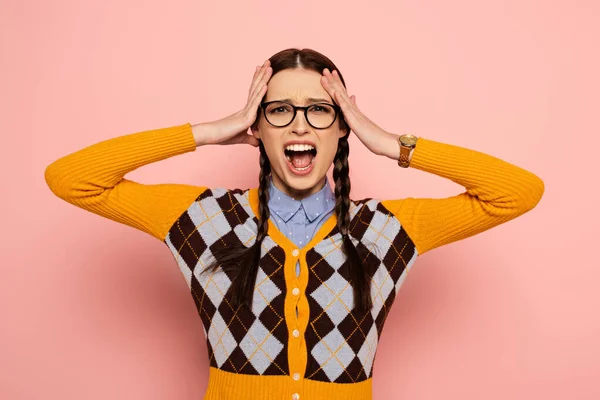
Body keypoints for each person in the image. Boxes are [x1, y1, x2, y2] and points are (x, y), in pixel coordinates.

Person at [44, 48, 544, 400]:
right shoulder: (202, 218)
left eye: (320, 110)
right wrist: (211, 131)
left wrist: (389, 142)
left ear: (343, 126)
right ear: (256, 127)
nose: (300, 124)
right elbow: (71, 179)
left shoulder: (388, 230)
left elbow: (517, 193)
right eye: (279, 110)